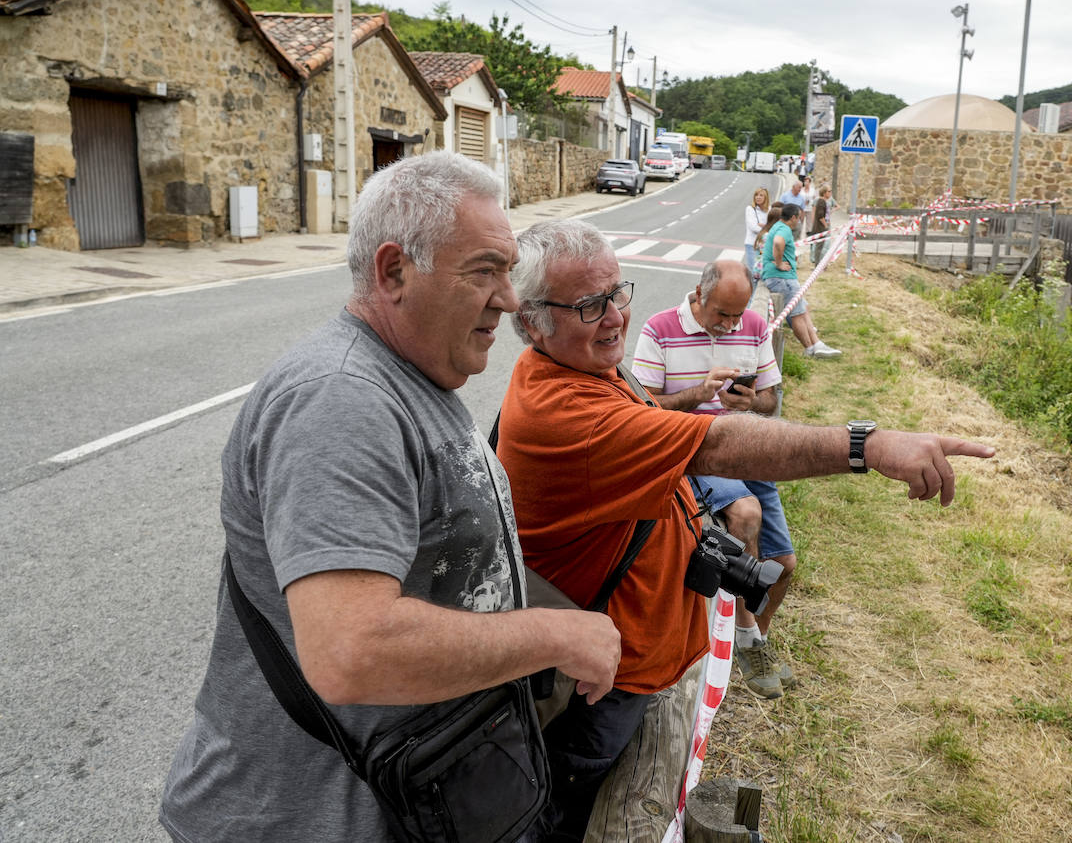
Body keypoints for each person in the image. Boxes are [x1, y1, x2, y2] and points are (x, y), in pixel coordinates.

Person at [159, 153, 620, 843]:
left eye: (509, 270)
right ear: (393, 271)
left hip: (401, 798)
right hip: (300, 820)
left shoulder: (413, 375)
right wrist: (556, 636)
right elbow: (352, 651)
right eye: (484, 271)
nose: (510, 299)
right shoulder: (341, 399)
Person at [497, 218, 995, 842]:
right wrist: (870, 445)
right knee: (573, 806)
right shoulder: (565, 410)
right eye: (589, 305)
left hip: (639, 657)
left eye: (617, 293)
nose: (615, 317)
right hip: (612, 678)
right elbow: (720, 442)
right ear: (531, 320)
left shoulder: (589, 367)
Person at [631, 259, 798, 699]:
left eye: (736, 315)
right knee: (745, 514)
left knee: (784, 567)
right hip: (695, 449)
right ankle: (744, 635)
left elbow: (769, 401)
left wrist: (748, 402)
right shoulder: (659, 328)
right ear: (700, 294)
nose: (729, 325)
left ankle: (752, 645)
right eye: (721, 314)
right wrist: (697, 395)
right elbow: (641, 411)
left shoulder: (755, 326)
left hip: (747, 448)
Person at [762, 203, 842, 357]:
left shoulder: (778, 226)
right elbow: (778, 242)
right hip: (782, 279)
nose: (799, 221)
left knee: (803, 310)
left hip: (784, 278)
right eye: (798, 218)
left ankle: (817, 344)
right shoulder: (784, 229)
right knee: (796, 314)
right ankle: (810, 348)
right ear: (792, 217)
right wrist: (778, 263)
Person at [742, 186, 770, 277]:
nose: (758, 197)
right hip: (752, 245)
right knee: (753, 272)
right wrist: (766, 228)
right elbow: (753, 227)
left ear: (766, 198)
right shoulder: (750, 209)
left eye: (761, 195)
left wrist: (762, 226)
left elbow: (772, 225)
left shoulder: (769, 210)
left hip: (764, 246)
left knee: (761, 271)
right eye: (756, 195)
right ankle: (752, 291)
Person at [809, 183, 834, 265]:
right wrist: (825, 225)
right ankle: (817, 264)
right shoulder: (821, 201)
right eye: (829, 191)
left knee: (822, 246)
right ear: (824, 193)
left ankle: (820, 263)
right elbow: (820, 216)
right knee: (819, 247)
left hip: (822, 226)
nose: (830, 193)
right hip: (821, 227)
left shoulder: (824, 201)